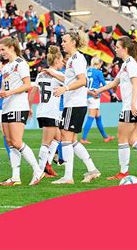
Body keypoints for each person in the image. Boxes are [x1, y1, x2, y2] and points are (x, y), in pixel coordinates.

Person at [92, 36, 137, 180]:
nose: (115, 49)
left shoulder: (131, 64)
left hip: (132, 106)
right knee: (133, 139)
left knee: (122, 138)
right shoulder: (125, 64)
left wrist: (133, 104)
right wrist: (98, 91)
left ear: (125, 49)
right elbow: (114, 83)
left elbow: (135, 84)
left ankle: (123, 172)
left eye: (117, 47)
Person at [0, 37, 44, 187]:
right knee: (10, 143)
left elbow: (27, 85)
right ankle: (15, 177)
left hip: (18, 106)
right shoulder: (8, 67)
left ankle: (38, 170)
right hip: (6, 106)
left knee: (16, 141)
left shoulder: (20, 64)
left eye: (3, 49)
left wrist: (9, 94)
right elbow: (2, 91)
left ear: (12, 47)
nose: (1, 52)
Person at [50, 31, 101, 184]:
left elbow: (82, 80)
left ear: (72, 42)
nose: (62, 43)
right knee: (71, 139)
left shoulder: (77, 58)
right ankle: (92, 169)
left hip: (74, 104)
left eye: (64, 41)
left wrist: (64, 89)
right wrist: (53, 73)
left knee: (66, 136)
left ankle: (68, 176)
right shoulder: (73, 59)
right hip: (74, 103)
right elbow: (70, 79)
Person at [28, 46, 64, 178]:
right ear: (56, 61)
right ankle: (40, 170)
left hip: (42, 110)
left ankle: (47, 165)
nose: (63, 63)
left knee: (58, 137)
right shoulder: (59, 75)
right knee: (46, 143)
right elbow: (71, 83)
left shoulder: (40, 74)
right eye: (61, 60)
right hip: (51, 111)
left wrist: (30, 107)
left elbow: (33, 91)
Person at [80, 57, 116, 144]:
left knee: (97, 116)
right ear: (98, 64)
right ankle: (83, 138)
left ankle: (106, 137)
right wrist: (112, 93)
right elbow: (104, 85)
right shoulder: (98, 72)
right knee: (91, 117)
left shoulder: (86, 71)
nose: (101, 66)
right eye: (100, 64)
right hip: (94, 96)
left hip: (87, 95)